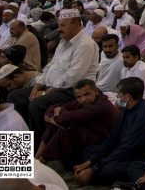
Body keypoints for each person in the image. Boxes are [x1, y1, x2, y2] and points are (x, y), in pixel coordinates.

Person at [9, 9, 98, 143]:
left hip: (73, 90)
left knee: (37, 104)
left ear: (77, 25)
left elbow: (73, 76)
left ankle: (38, 145)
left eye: (63, 25)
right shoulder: (63, 42)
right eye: (59, 25)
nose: (59, 29)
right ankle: (24, 138)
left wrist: (46, 93)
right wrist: (38, 85)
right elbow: (51, 66)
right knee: (15, 96)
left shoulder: (86, 44)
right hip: (52, 87)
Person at [73, 77, 145, 186]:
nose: (117, 97)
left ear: (128, 97)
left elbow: (127, 149)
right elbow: (111, 140)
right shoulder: (125, 110)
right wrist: (90, 162)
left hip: (132, 158)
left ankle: (92, 176)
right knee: (88, 151)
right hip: (117, 152)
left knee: (108, 171)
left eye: (119, 94)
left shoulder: (144, 116)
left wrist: (92, 169)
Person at [36, 79, 118, 168]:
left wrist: (51, 118)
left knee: (68, 128)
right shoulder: (85, 101)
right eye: (79, 97)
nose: (83, 99)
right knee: (55, 123)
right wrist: (53, 119)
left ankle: (40, 162)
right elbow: (54, 108)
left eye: (87, 94)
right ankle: (36, 159)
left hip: (101, 141)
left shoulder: (101, 105)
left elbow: (67, 117)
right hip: (89, 135)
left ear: (96, 92)